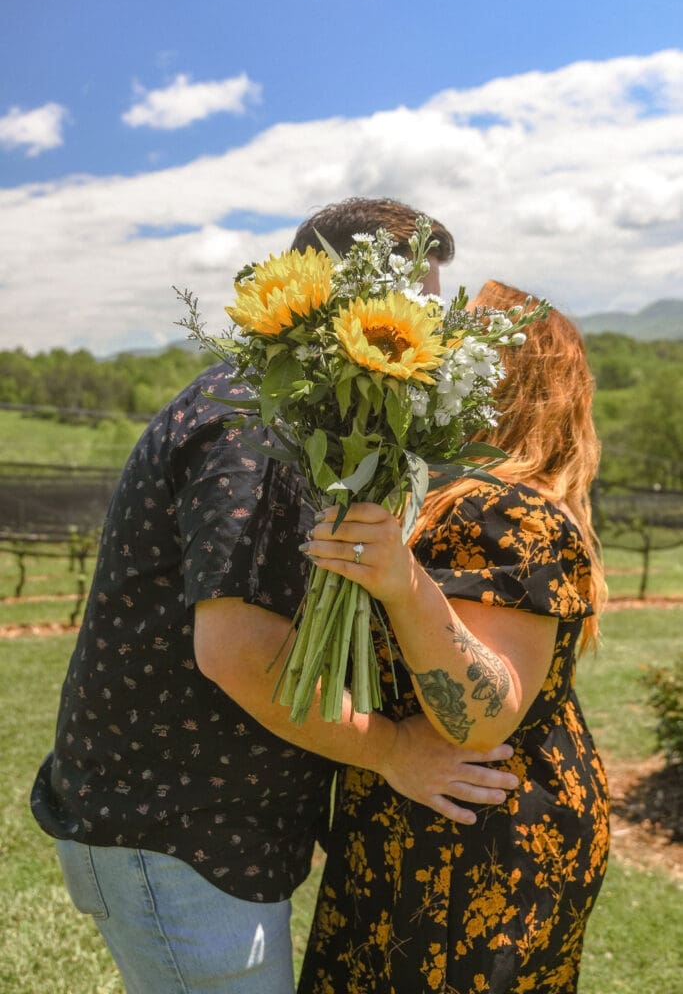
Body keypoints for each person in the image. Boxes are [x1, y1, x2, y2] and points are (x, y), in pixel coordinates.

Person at [30, 201, 519, 994]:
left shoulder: (288, 408)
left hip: (193, 823)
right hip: (176, 825)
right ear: (343, 296)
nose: (433, 331)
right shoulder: (259, 426)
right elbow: (235, 651)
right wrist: (392, 750)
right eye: (420, 303)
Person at [297, 280, 610, 993]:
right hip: (451, 819)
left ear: (498, 377)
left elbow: (481, 714)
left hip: (472, 842)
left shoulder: (505, 509)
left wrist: (403, 585)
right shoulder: (444, 495)